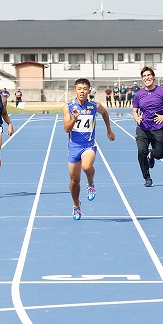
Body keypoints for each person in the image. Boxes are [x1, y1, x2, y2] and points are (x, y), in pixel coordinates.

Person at [62, 78, 115, 220]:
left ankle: (90, 183)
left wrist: (109, 130)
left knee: (86, 166)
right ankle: (76, 206)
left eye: (85, 89)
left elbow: (105, 113)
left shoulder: (94, 106)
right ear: (75, 90)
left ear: (89, 90)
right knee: (74, 181)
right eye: (79, 89)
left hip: (88, 145)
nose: (82, 91)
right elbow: (66, 129)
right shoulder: (68, 107)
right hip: (74, 147)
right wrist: (74, 118)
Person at [132, 67, 163, 187]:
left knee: (159, 155)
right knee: (141, 151)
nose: (147, 78)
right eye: (144, 76)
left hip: (158, 127)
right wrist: (137, 118)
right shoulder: (138, 94)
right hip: (143, 128)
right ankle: (147, 177)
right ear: (142, 79)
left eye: (148, 75)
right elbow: (134, 111)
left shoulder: (162, 91)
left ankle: (151, 154)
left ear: (153, 77)